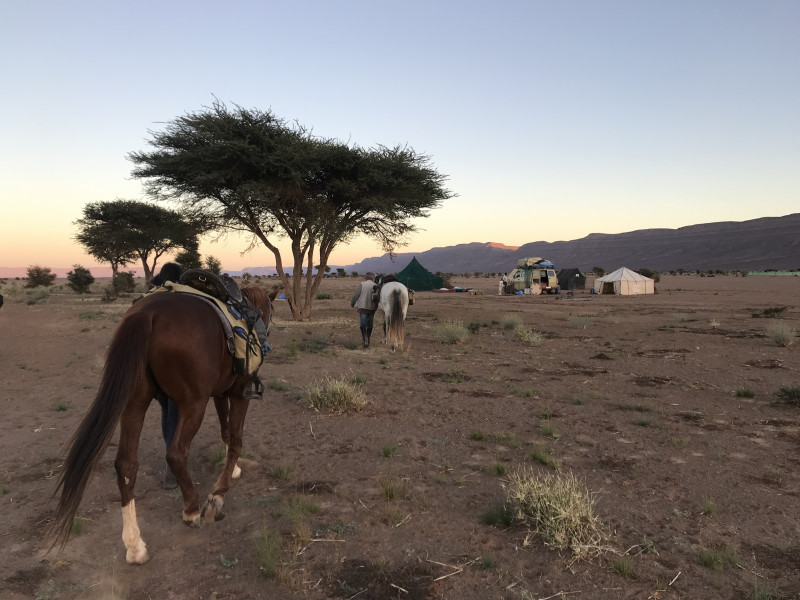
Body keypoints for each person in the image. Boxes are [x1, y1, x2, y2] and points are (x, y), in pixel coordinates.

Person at [350, 275, 378, 348]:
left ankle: (364, 338)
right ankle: (368, 339)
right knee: (370, 324)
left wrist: (352, 303)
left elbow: (356, 295)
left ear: (366, 278)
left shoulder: (362, 284)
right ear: (373, 278)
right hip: (371, 308)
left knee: (363, 324)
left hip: (362, 307)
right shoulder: (376, 285)